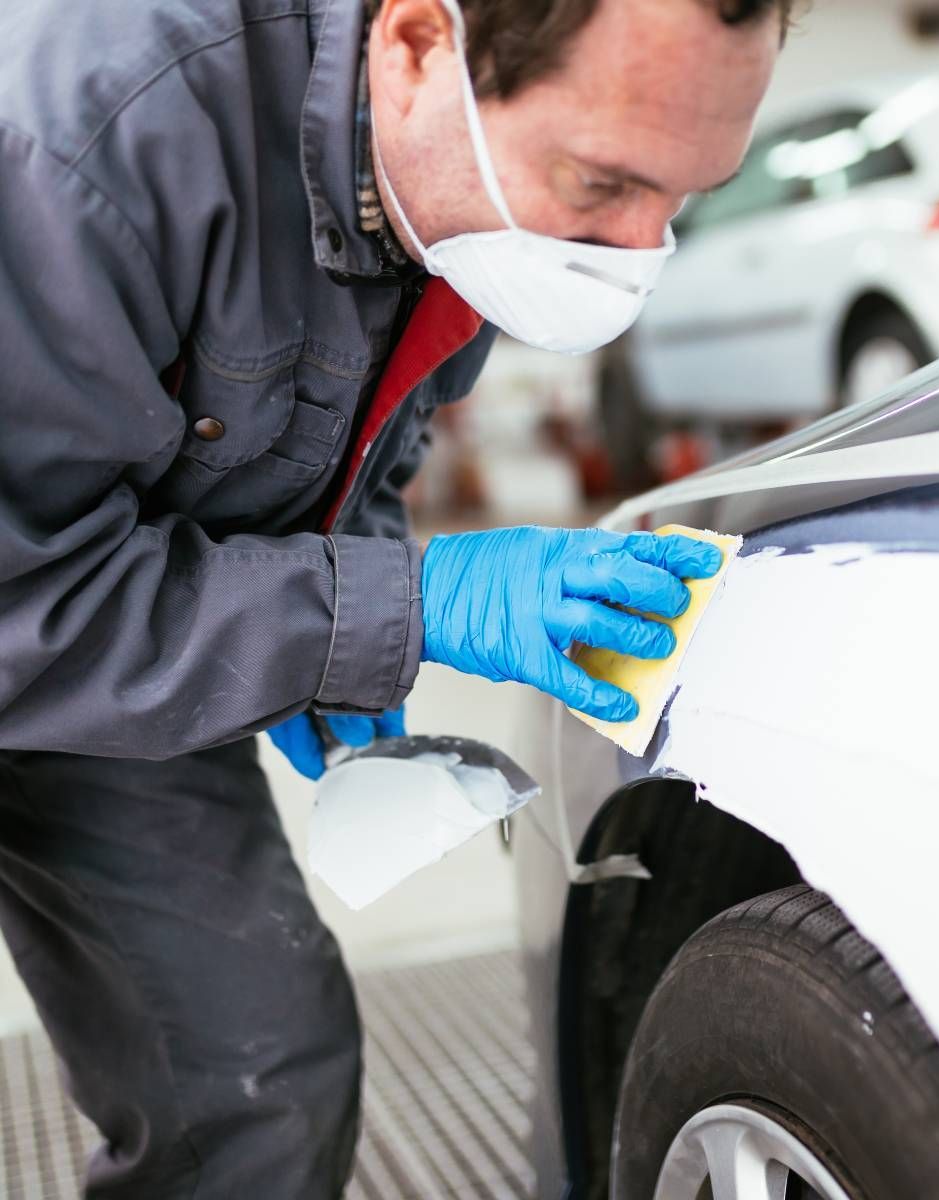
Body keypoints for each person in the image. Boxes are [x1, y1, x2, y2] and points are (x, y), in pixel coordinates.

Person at [0, 0, 786, 1193]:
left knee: (258, 1080)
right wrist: (393, 608)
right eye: (601, 182)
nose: (636, 249)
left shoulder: (444, 188)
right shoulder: (86, 147)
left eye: (683, 197)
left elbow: (344, 436)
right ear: (419, 45)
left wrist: (337, 599)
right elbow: (22, 603)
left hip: (108, 612)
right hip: (36, 600)